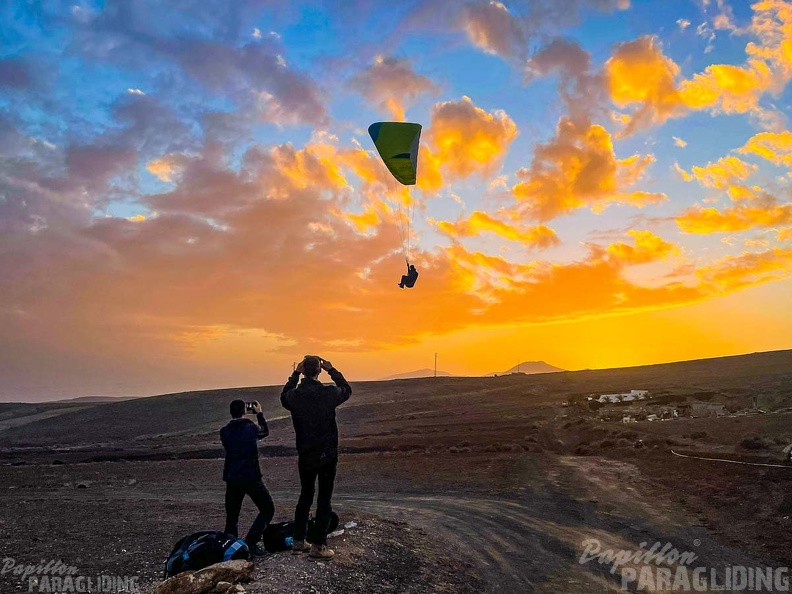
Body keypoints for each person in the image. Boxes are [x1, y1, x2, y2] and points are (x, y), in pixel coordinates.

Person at [280, 356, 351, 560]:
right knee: (324, 498)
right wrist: (332, 369)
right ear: (319, 370)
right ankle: (318, 546)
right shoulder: (327, 394)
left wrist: (294, 375)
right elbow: (346, 389)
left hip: (306, 453)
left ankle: (298, 541)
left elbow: (284, 396)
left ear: (303, 370)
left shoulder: (295, 396)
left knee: (305, 495)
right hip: (327, 453)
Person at [220, 399, 274, 557]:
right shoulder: (250, 427)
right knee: (267, 508)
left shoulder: (225, 431)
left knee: (232, 515)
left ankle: (230, 548)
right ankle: (252, 541)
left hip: (232, 477)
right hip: (250, 476)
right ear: (245, 411)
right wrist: (260, 414)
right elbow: (264, 431)